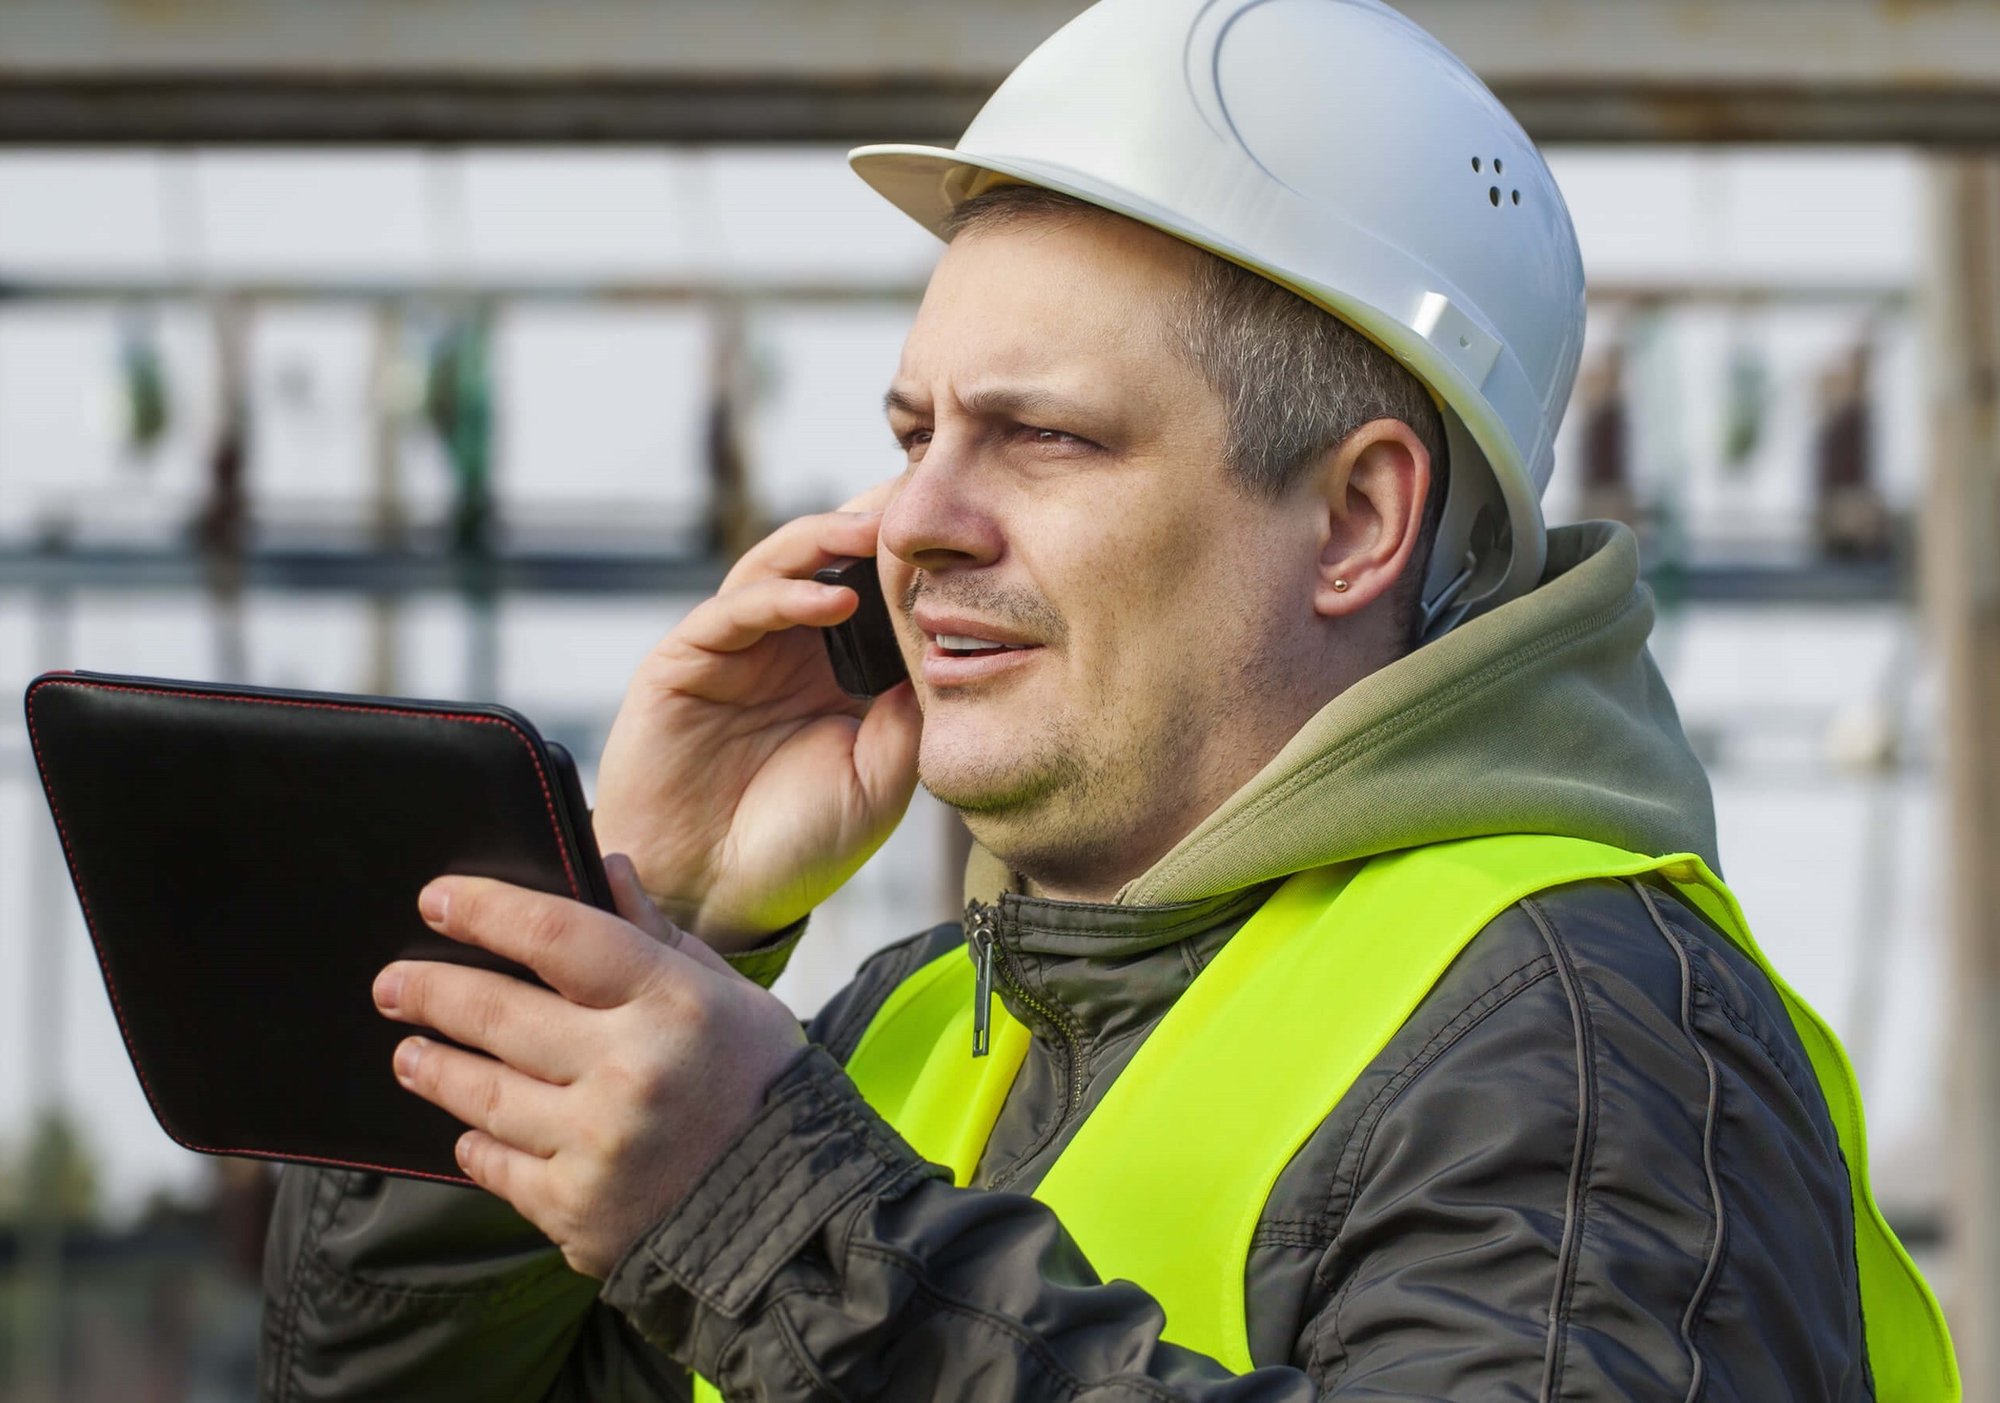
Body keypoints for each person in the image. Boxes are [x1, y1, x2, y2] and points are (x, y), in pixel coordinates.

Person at [260, 1, 1958, 1398]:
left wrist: (759, 1205)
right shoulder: (911, 1032)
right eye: (919, 431)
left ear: (1358, 520)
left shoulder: (1586, 1035)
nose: (912, 520)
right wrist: (623, 907)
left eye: (1046, 436)